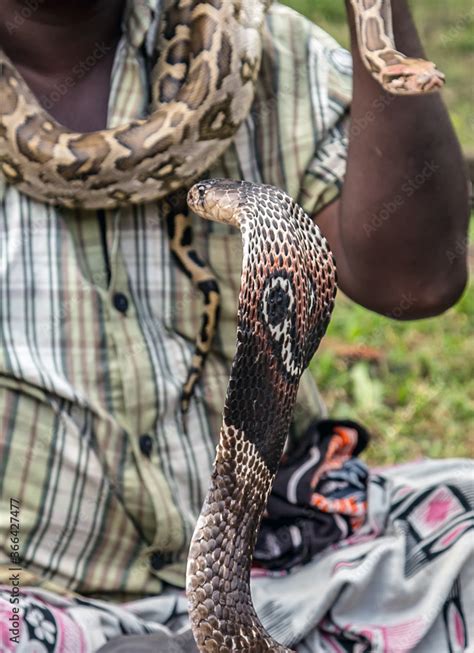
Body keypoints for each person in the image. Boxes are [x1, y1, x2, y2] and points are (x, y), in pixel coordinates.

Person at [0, 0, 471, 651]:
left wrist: (381, 19)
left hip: (293, 555)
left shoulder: (261, 40)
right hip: (32, 594)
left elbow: (416, 282)